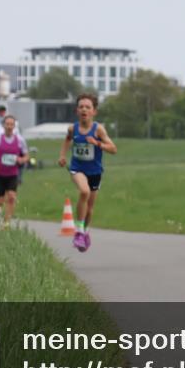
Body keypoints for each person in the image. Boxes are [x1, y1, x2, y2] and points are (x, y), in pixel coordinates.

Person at [58, 94, 117, 252]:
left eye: (87, 107)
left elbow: (113, 149)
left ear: (94, 111)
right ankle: (78, 231)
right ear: (77, 110)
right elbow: (67, 139)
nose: (84, 109)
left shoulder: (98, 129)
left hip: (95, 171)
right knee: (84, 191)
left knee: (90, 207)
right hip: (77, 168)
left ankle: (85, 231)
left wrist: (97, 143)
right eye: (81, 107)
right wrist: (62, 155)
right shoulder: (73, 129)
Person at [0, 114, 28, 230]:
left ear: (14, 126)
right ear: (3, 125)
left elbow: (26, 155)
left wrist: (21, 159)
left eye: (11, 124)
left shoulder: (20, 140)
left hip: (12, 174)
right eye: (7, 124)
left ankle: (6, 223)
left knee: (12, 197)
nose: (9, 126)